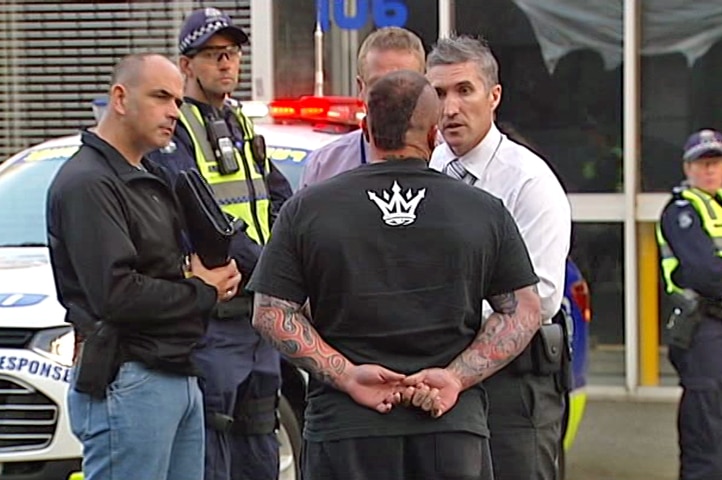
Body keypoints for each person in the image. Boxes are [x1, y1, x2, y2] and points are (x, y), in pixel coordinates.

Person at [247, 69, 543, 480]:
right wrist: (454, 378)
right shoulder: (483, 210)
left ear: (366, 130)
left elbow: (271, 312)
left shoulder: (308, 209)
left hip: (346, 431)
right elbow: (524, 311)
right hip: (451, 429)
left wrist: (347, 375)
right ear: (434, 134)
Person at [46, 53, 242, 480]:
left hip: (175, 372)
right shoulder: (89, 182)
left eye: (176, 100)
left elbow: (163, 272)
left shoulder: (149, 173)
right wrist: (203, 290)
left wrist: (204, 278)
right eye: (160, 97)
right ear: (120, 98)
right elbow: (116, 295)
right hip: (129, 378)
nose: (174, 111)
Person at [147, 7, 293, 480]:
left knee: (259, 435)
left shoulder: (241, 122)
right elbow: (204, 215)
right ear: (186, 64)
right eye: (214, 55)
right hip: (218, 316)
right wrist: (271, 267)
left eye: (231, 54)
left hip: (258, 315)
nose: (227, 65)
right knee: (214, 442)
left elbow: (278, 197)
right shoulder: (177, 130)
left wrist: (281, 260)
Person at [427, 36, 571, 480]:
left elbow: (541, 297)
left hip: (512, 388)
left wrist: (449, 318)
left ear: (494, 96)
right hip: (438, 384)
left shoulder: (529, 182)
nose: (450, 108)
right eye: (438, 94)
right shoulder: (428, 171)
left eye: (464, 90)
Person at [657, 129, 722, 480]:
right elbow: (706, 274)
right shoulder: (681, 211)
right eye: (702, 164)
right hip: (704, 329)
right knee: (706, 434)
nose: (709, 170)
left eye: (715, 162)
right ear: (687, 167)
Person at [299, 26, 426, 188]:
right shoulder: (324, 167)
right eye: (379, 85)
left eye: (404, 84)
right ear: (361, 88)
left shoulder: (449, 161)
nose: (393, 97)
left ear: (425, 88)